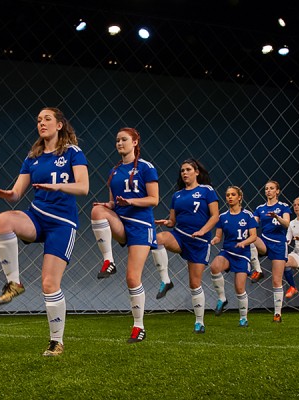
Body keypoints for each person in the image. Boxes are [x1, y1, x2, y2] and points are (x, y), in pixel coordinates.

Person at [0, 107, 89, 357]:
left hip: (61, 224)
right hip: (37, 216)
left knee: (49, 283)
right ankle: (13, 283)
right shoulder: (32, 157)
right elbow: (17, 193)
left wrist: (58, 187)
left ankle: (56, 342)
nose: (41, 123)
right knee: (3, 221)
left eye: (47, 119)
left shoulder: (72, 153)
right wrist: (8, 195)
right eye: (38, 120)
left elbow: (84, 187)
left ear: (59, 125)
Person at [91, 128, 159, 343]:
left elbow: (153, 199)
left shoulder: (147, 168)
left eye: (124, 140)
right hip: (121, 222)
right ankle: (108, 261)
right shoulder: (114, 171)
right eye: (117, 140)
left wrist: (131, 202)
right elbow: (113, 201)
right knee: (96, 211)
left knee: (132, 278)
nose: (120, 143)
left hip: (140, 225)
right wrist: (107, 205)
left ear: (135, 141)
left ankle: (139, 327)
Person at [152, 158, 219, 333]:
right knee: (158, 239)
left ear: (196, 172)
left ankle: (199, 321)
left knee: (194, 283)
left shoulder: (207, 191)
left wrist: (203, 231)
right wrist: (167, 222)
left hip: (199, 242)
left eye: (188, 169)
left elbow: (215, 216)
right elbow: (173, 221)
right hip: (180, 236)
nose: (184, 173)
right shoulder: (177, 195)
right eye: (182, 170)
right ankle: (166, 280)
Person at [210, 186, 258, 328]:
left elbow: (254, 236)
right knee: (214, 266)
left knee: (239, 288)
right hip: (228, 252)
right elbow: (219, 236)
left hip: (242, 255)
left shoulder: (247, 215)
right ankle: (222, 298)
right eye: (227, 195)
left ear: (239, 197)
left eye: (233, 194)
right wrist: (214, 240)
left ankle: (243, 318)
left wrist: (244, 242)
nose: (230, 197)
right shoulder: (223, 217)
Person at [252, 180, 291, 323]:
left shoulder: (283, 207)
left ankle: (277, 313)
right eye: (266, 188)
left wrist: (277, 217)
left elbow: (287, 224)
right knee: (251, 237)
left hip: (279, 244)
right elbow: (253, 224)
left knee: (276, 280)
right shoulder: (260, 208)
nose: (268, 191)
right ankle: (258, 270)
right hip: (265, 242)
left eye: (271, 188)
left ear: (277, 191)